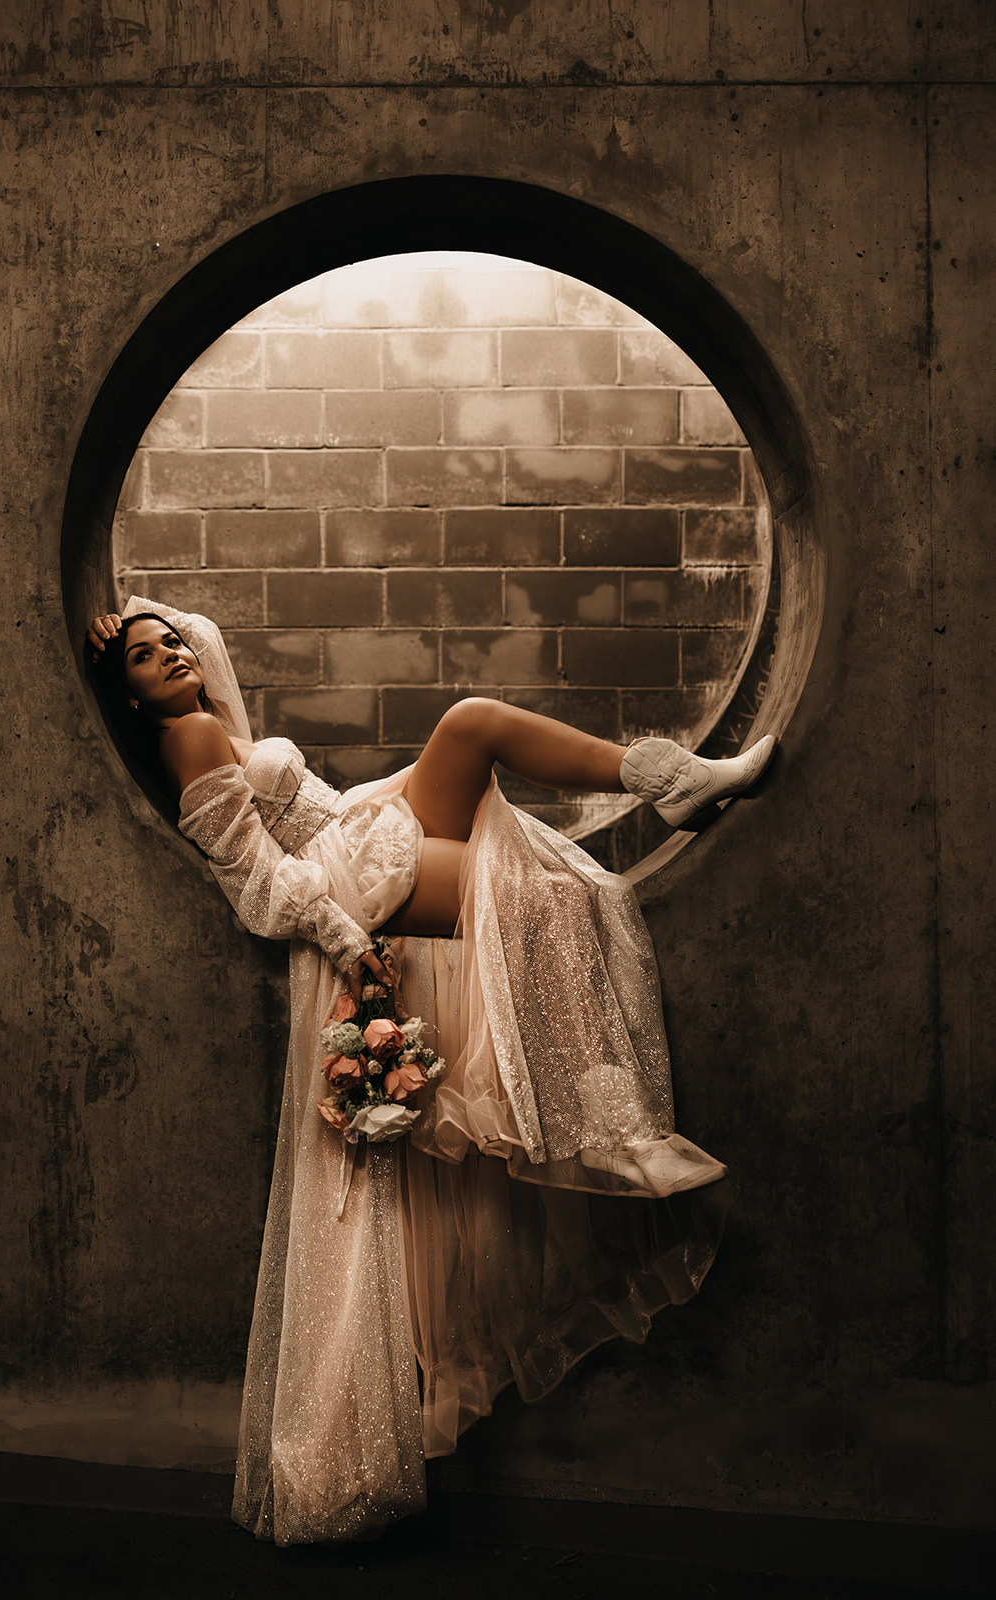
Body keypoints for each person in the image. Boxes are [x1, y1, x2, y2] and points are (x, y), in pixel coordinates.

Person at [88, 599, 775, 1546]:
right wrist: (342, 934)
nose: (168, 652)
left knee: (478, 736)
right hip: (340, 880)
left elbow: (211, 674)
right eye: (140, 654)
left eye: (173, 641)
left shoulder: (213, 719)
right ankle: (604, 1119)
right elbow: (254, 882)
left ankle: (676, 782)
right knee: (527, 872)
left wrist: (143, 619)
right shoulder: (191, 737)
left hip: (360, 828)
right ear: (121, 691)